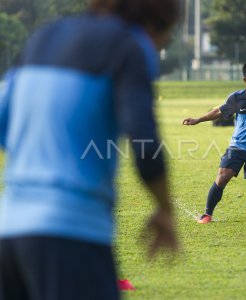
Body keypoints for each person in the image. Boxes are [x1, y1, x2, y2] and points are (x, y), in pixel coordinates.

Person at [0, 0, 183, 299]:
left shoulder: (43, 37)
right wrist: (165, 209)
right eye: (166, 37)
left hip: (9, 233)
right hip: (71, 233)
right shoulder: (129, 44)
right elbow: (145, 142)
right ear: (154, 23)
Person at [183, 59, 246, 224]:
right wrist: (198, 119)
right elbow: (219, 111)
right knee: (222, 177)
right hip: (237, 146)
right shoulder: (237, 98)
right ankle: (207, 214)